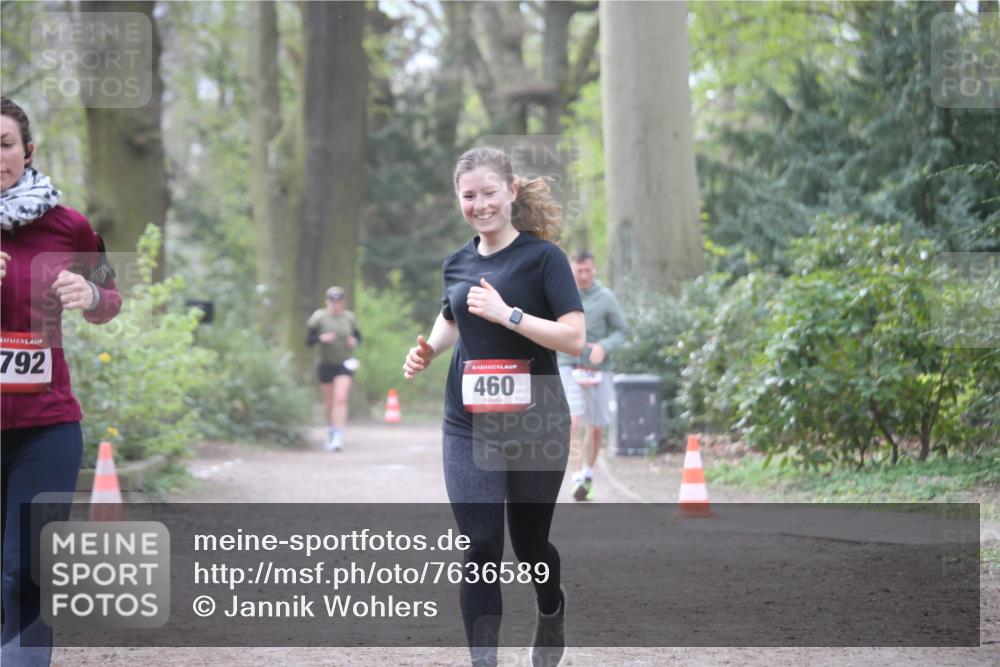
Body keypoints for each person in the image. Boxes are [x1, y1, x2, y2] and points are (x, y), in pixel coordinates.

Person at [402, 147, 585, 667]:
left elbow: (574, 338)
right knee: (480, 544)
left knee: (530, 548)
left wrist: (511, 315)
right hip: (468, 422)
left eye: (488, 193)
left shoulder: (544, 258)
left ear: (511, 191)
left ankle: (551, 608)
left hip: (536, 419)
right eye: (468, 196)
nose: (479, 205)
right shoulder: (456, 262)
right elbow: (453, 316)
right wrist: (428, 351)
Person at [1, 97, 122, 665]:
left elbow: (110, 299)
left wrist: (92, 294)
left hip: (46, 424)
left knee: (28, 564)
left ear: (27, 150)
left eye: (4, 144)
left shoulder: (67, 223)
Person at [557, 250, 629, 501]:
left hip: (598, 370)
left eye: (588, 270)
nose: (584, 275)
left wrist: (603, 347)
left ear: (594, 270)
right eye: (579, 271)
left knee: (596, 427)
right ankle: (575, 475)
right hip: (567, 364)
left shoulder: (606, 297)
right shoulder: (559, 295)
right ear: (571, 270)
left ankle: (587, 473)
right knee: (573, 420)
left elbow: (621, 331)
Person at [306, 286, 361, 451]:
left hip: (344, 363)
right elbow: (308, 340)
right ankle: (331, 430)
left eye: (338, 301)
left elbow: (358, 336)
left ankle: (338, 437)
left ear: (343, 302)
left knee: (341, 398)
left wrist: (354, 341)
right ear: (327, 301)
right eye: (332, 301)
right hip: (325, 363)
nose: (335, 304)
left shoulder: (349, 318)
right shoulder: (319, 317)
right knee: (329, 401)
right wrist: (321, 338)